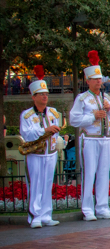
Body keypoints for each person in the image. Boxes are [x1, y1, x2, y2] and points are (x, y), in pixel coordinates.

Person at [69, 50, 110, 222]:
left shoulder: (107, 97)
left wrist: (109, 109)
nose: (99, 81)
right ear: (88, 81)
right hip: (90, 138)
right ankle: (87, 209)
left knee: (104, 173)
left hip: (105, 139)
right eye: (95, 79)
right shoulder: (82, 98)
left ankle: (102, 207)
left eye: (100, 79)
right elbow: (73, 120)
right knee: (89, 173)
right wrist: (93, 117)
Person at [20, 66, 62, 228]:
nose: (45, 97)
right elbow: (27, 134)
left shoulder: (53, 112)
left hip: (50, 153)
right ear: (34, 96)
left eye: (46, 94)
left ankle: (46, 215)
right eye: (41, 94)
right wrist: (45, 130)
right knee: (35, 184)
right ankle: (35, 216)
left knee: (47, 183)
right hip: (35, 154)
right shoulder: (27, 115)